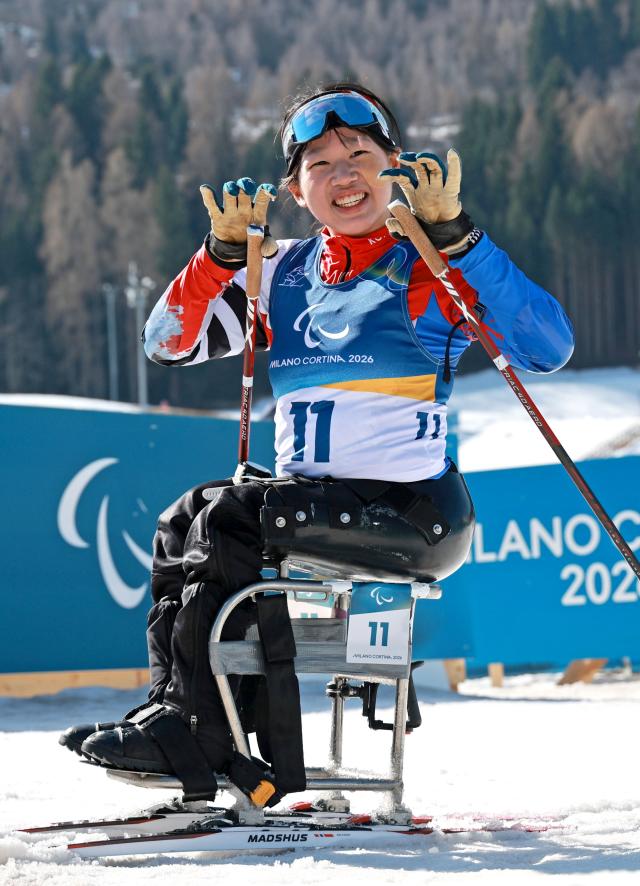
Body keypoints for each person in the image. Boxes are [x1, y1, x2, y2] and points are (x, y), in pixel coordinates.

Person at [60, 82, 574, 805]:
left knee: (232, 515)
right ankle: (181, 713)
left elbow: (548, 346)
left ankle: (208, 739)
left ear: (397, 166)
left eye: (361, 154)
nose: (343, 175)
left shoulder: (429, 265)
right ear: (297, 191)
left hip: (411, 512)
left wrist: (461, 239)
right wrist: (218, 257)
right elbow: (165, 343)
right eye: (320, 163)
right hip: (315, 502)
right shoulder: (286, 275)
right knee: (186, 515)